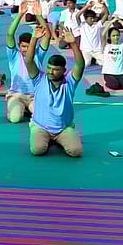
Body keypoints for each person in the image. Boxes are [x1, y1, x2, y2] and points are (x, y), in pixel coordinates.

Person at [22, 24, 85, 157]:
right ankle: (36, 130)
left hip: (63, 128)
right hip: (41, 126)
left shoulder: (69, 82)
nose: (50, 72)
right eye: (49, 68)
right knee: (37, 150)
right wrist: (34, 38)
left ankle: (60, 138)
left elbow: (80, 65)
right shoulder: (39, 79)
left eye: (55, 69)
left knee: (76, 151)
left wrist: (73, 43)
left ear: (63, 70)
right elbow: (28, 61)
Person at [5, 10, 50, 123]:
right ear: (19, 46)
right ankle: (16, 109)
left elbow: (47, 35)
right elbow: (10, 34)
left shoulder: (38, 54)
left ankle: (28, 109)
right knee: (15, 119)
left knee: (42, 118)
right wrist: (20, 14)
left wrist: (38, 14)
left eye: (29, 46)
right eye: (23, 46)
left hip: (34, 96)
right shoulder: (14, 55)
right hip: (17, 95)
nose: (26, 49)